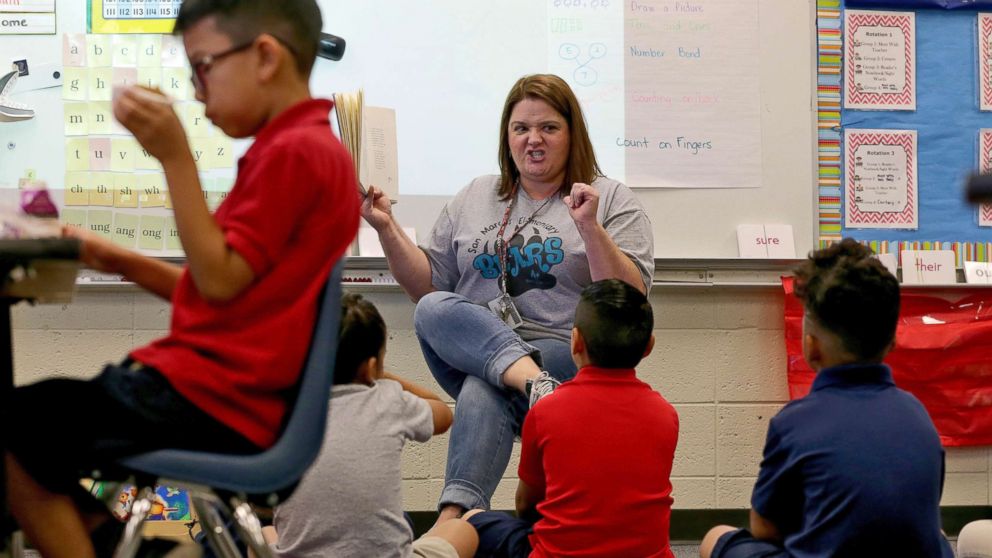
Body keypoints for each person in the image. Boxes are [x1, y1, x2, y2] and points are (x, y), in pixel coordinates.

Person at [3, 1, 360, 556]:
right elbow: (224, 292)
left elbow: (216, 282)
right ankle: (124, 544)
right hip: (219, 394)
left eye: (203, 67)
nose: (196, 91)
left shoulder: (295, 154)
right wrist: (111, 255)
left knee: (15, 434)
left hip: (216, 400)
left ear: (264, 56)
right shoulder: (303, 148)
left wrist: (174, 156)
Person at [362, 73, 655, 523]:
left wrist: (590, 228)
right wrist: (386, 227)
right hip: (481, 352)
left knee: (484, 387)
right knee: (432, 308)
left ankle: (452, 521)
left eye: (548, 128)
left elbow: (628, 299)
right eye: (521, 129)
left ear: (572, 133)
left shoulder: (610, 197)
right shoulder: (476, 194)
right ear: (507, 136)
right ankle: (528, 382)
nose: (533, 140)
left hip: (566, 354)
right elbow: (427, 286)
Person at [700, 238, 954, 558]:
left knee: (717, 537)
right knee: (937, 533)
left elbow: (765, 528)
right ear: (891, 342)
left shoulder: (794, 421)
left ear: (811, 344)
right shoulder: (918, 414)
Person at [462, 279, 678, 557]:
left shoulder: (546, 410)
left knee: (471, 521)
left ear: (575, 342)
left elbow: (526, 504)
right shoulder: (665, 414)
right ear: (649, 346)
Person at [262, 293, 478, 558]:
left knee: (264, 534)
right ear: (371, 366)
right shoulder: (388, 399)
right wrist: (381, 377)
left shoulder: (282, 410)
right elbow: (444, 414)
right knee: (462, 530)